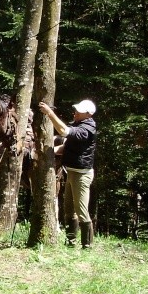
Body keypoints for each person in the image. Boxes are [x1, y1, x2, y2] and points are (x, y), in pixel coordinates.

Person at [38, 99, 97, 248]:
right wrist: (47, 152)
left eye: (80, 111)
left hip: (81, 175)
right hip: (72, 172)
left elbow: (64, 131)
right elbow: (66, 147)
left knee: (82, 211)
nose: (75, 113)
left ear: (88, 115)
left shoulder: (87, 129)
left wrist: (50, 114)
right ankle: (71, 242)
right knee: (69, 210)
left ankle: (87, 246)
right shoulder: (79, 124)